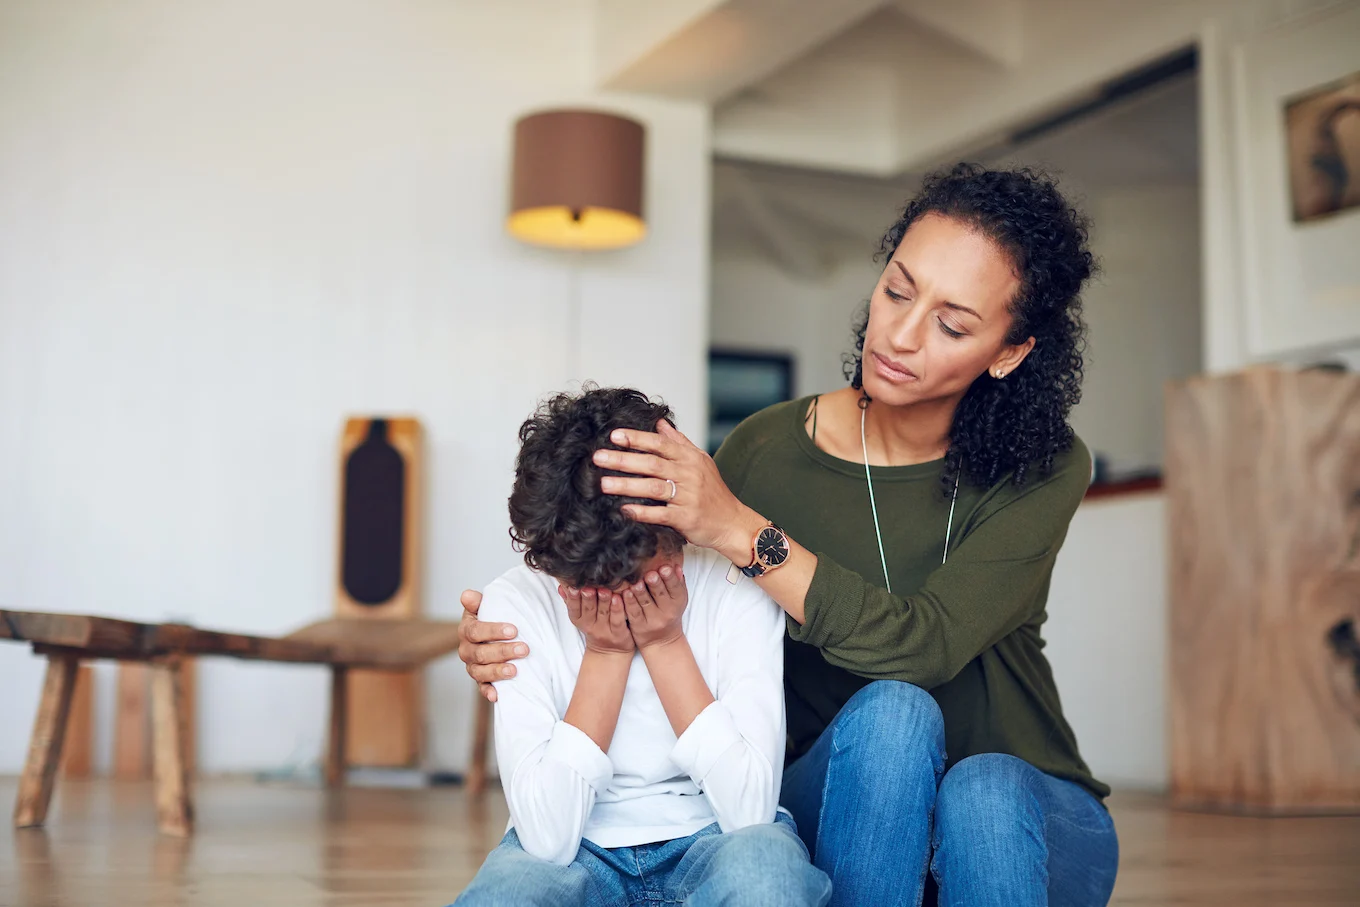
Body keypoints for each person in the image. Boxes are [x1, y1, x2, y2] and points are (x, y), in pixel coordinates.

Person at [459, 164, 1119, 906]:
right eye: (897, 290)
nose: (899, 334)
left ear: (1009, 351)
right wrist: (517, 632)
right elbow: (641, 580)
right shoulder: (765, 449)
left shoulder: (1046, 466)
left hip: (1020, 813)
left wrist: (741, 528)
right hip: (844, 799)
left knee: (985, 787)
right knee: (890, 718)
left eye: (952, 323)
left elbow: (923, 646)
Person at [454, 387, 831, 907]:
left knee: (766, 870)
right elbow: (547, 838)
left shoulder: (736, 584)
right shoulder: (515, 603)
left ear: (674, 527)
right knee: (507, 893)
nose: (619, 600)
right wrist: (605, 654)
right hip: (580, 853)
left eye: (640, 578)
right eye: (594, 587)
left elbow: (748, 813)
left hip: (712, 840)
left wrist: (664, 640)